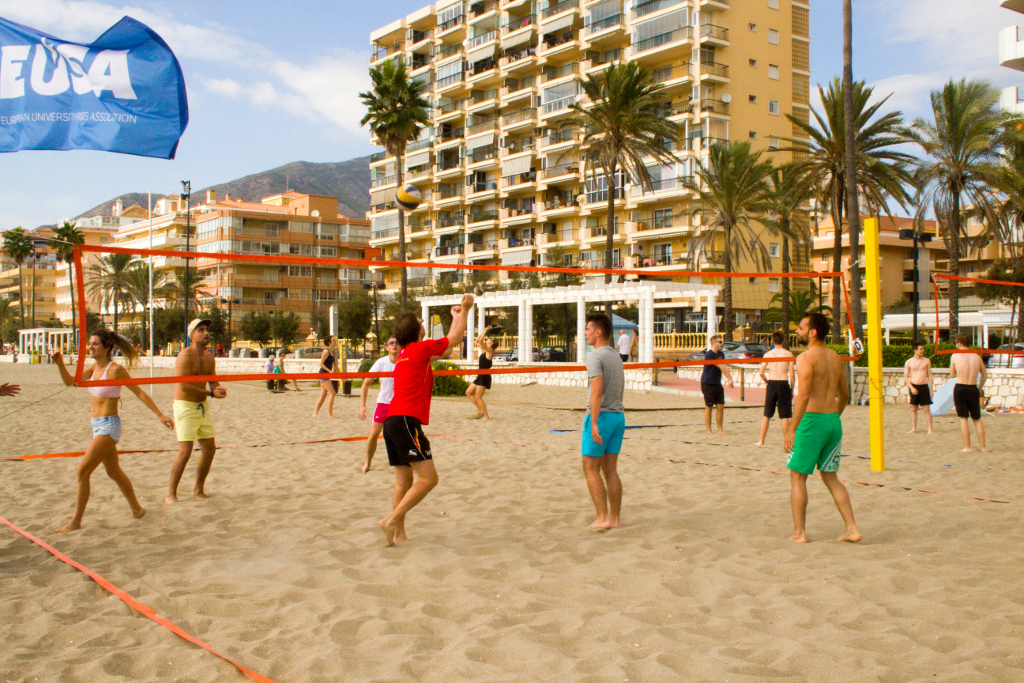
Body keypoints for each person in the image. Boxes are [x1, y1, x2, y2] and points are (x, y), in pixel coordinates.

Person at [51, 330, 174, 532]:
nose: (90, 347)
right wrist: (60, 364)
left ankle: (76, 521)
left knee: (82, 472)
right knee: (113, 471)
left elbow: (139, 392)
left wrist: (160, 415)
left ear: (107, 347)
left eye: (95, 344)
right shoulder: (92, 369)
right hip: (96, 424)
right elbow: (70, 382)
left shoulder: (116, 370)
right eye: (89, 344)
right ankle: (136, 509)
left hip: (109, 425)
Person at [377, 293, 474, 547]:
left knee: (403, 481)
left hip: (392, 423)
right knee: (430, 479)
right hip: (407, 422)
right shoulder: (420, 349)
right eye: (421, 321)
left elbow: (447, 347)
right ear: (419, 330)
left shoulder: (407, 355)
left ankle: (397, 533)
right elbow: (454, 340)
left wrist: (455, 317)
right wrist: (465, 310)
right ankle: (391, 520)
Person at [783, 312, 861, 543]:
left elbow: (804, 396)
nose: (797, 331)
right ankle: (852, 528)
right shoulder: (836, 357)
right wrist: (832, 417)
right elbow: (845, 395)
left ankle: (800, 533)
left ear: (813, 332)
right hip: (832, 421)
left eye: (801, 327)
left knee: (797, 477)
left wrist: (791, 429)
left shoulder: (806, 358)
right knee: (831, 478)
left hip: (811, 421)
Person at [166, 319, 227, 504]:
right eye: (200, 330)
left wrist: (218, 389)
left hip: (202, 405)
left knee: (209, 449)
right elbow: (183, 385)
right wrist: (210, 393)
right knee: (185, 451)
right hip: (185, 405)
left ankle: (198, 490)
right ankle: (171, 494)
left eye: (207, 330)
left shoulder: (209, 356)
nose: (206, 333)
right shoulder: (185, 355)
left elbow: (212, 380)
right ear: (191, 335)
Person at [581, 313, 625, 530]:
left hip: (602, 416)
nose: (585, 332)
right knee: (611, 470)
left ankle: (602, 518)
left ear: (598, 332)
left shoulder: (595, 356)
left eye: (588, 328)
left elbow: (596, 392)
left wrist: (595, 422)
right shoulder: (616, 356)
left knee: (590, 468)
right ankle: (615, 519)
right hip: (618, 416)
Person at [359, 336, 399, 474]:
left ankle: (403, 463)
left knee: (400, 435)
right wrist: (362, 406)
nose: (394, 345)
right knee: (374, 434)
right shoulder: (381, 362)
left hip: (399, 404)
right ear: (386, 347)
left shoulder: (404, 362)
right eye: (391, 343)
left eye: (397, 343)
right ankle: (368, 462)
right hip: (384, 403)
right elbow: (365, 384)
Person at [950, 332, 991, 452]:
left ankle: (967, 447)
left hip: (961, 387)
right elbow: (984, 375)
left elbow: (952, 374)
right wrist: (979, 387)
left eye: (956, 342)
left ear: (960, 343)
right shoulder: (977, 357)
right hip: (973, 388)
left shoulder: (955, 356)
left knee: (963, 418)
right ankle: (983, 447)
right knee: (977, 419)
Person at [755, 330, 795, 447]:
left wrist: (767, 382)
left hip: (772, 383)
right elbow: (792, 375)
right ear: (783, 340)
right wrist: (791, 389)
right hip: (783, 383)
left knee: (767, 414)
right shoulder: (788, 354)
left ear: (772, 341)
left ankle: (761, 440)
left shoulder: (768, 355)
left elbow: (761, 373)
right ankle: (786, 441)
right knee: (785, 416)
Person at [701, 334, 734, 435]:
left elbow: (724, 366)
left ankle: (720, 429)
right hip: (707, 383)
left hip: (717, 383)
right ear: (714, 343)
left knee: (720, 406)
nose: (722, 344)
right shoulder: (709, 354)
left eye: (722, 342)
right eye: (720, 342)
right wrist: (729, 379)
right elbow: (720, 366)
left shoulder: (721, 354)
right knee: (709, 406)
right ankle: (709, 430)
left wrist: (730, 378)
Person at [465, 325, 496, 420]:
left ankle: (486, 416)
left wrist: (485, 332)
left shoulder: (490, 350)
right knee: (468, 392)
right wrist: (484, 330)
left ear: (492, 342)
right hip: (480, 375)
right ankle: (480, 410)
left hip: (485, 376)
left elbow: (481, 341)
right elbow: (477, 341)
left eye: (490, 338)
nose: (488, 339)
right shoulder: (485, 350)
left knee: (478, 397)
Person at [904, 341, 934, 434]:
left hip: (924, 386)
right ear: (915, 350)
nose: (922, 350)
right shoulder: (909, 362)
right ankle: (914, 428)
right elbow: (906, 376)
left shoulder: (926, 360)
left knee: (926, 408)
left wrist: (931, 389)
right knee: (914, 408)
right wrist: (912, 388)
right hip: (914, 386)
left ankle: (930, 429)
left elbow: (929, 375)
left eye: (923, 349)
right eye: (921, 349)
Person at [312, 335, 338, 417]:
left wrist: (342, 374)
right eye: (333, 340)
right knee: (332, 393)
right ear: (329, 342)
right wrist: (330, 371)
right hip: (323, 374)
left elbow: (336, 365)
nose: (335, 342)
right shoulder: (326, 351)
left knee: (323, 395)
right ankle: (329, 413)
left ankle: (315, 413)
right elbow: (321, 364)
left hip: (327, 374)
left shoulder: (332, 352)